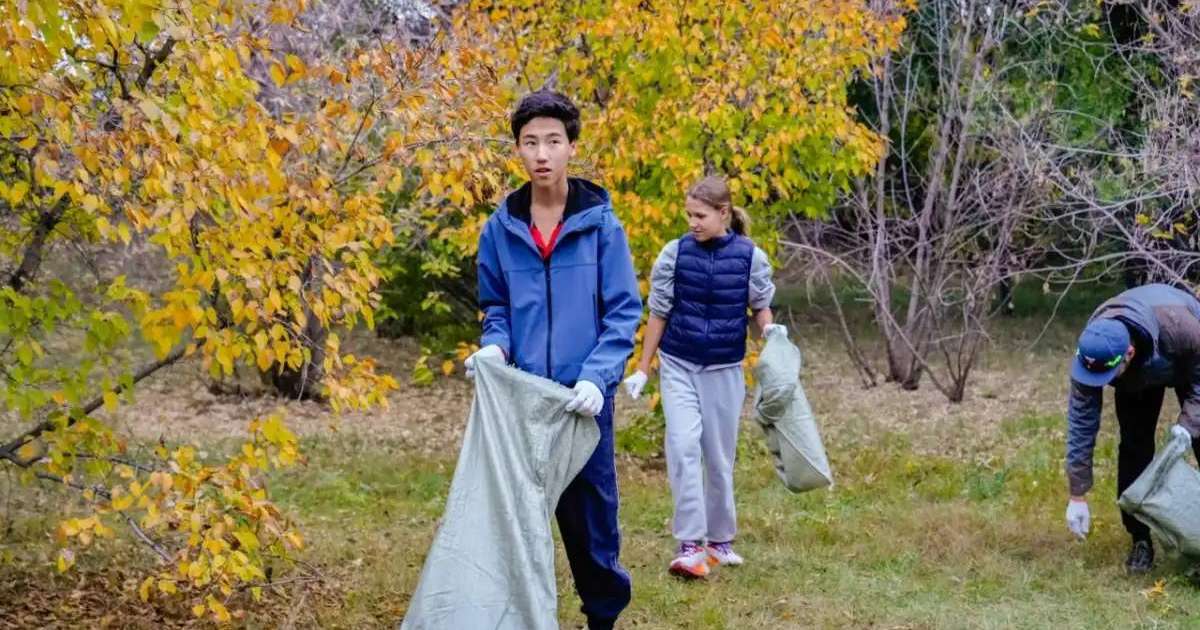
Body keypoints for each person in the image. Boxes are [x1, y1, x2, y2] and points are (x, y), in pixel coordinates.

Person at [463, 89, 642, 630]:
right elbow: (496, 306)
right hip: (522, 404)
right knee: (517, 520)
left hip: (581, 404)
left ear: (570, 147)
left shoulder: (602, 226)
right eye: (530, 142)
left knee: (590, 524)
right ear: (517, 149)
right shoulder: (500, 229)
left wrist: (596, 378)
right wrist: (496, 346)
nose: (542, 154)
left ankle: (602, 618)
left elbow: (622, 312)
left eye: (553, 142)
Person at [622, 175, 778, 579]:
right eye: (688, 214)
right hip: (679, 364)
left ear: (723, 213)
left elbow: (761, 306)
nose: (692, 222)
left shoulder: (750, 257)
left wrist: (771, 333)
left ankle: (720, 542)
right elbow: (658, 311)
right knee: (683, 445)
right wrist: (643, 368)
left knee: (719, 456)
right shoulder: (674, 254)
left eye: (700, 215)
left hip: (725, 368)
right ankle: (690, 543)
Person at [1064, 283, 1200, 575]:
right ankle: (1140, 539)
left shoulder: (1184, 328)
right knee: (1134, 448)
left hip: (1186, 359)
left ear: (1128, 352)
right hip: (1139, 379)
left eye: (1107, 375)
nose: (1099, 381)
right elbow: (1081, 421)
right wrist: (1077, 494)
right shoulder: (1093, 349)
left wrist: (1188, 426)